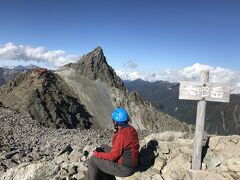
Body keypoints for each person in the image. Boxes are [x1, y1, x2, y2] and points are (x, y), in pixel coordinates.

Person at [88, 107, 139, 180]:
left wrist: (97, 154)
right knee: (103, 147)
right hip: (130, 163)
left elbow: (113, 157)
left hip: (125, 169)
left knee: (93, 160)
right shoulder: (131, 129)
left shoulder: (122, 136)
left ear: (116, 122)